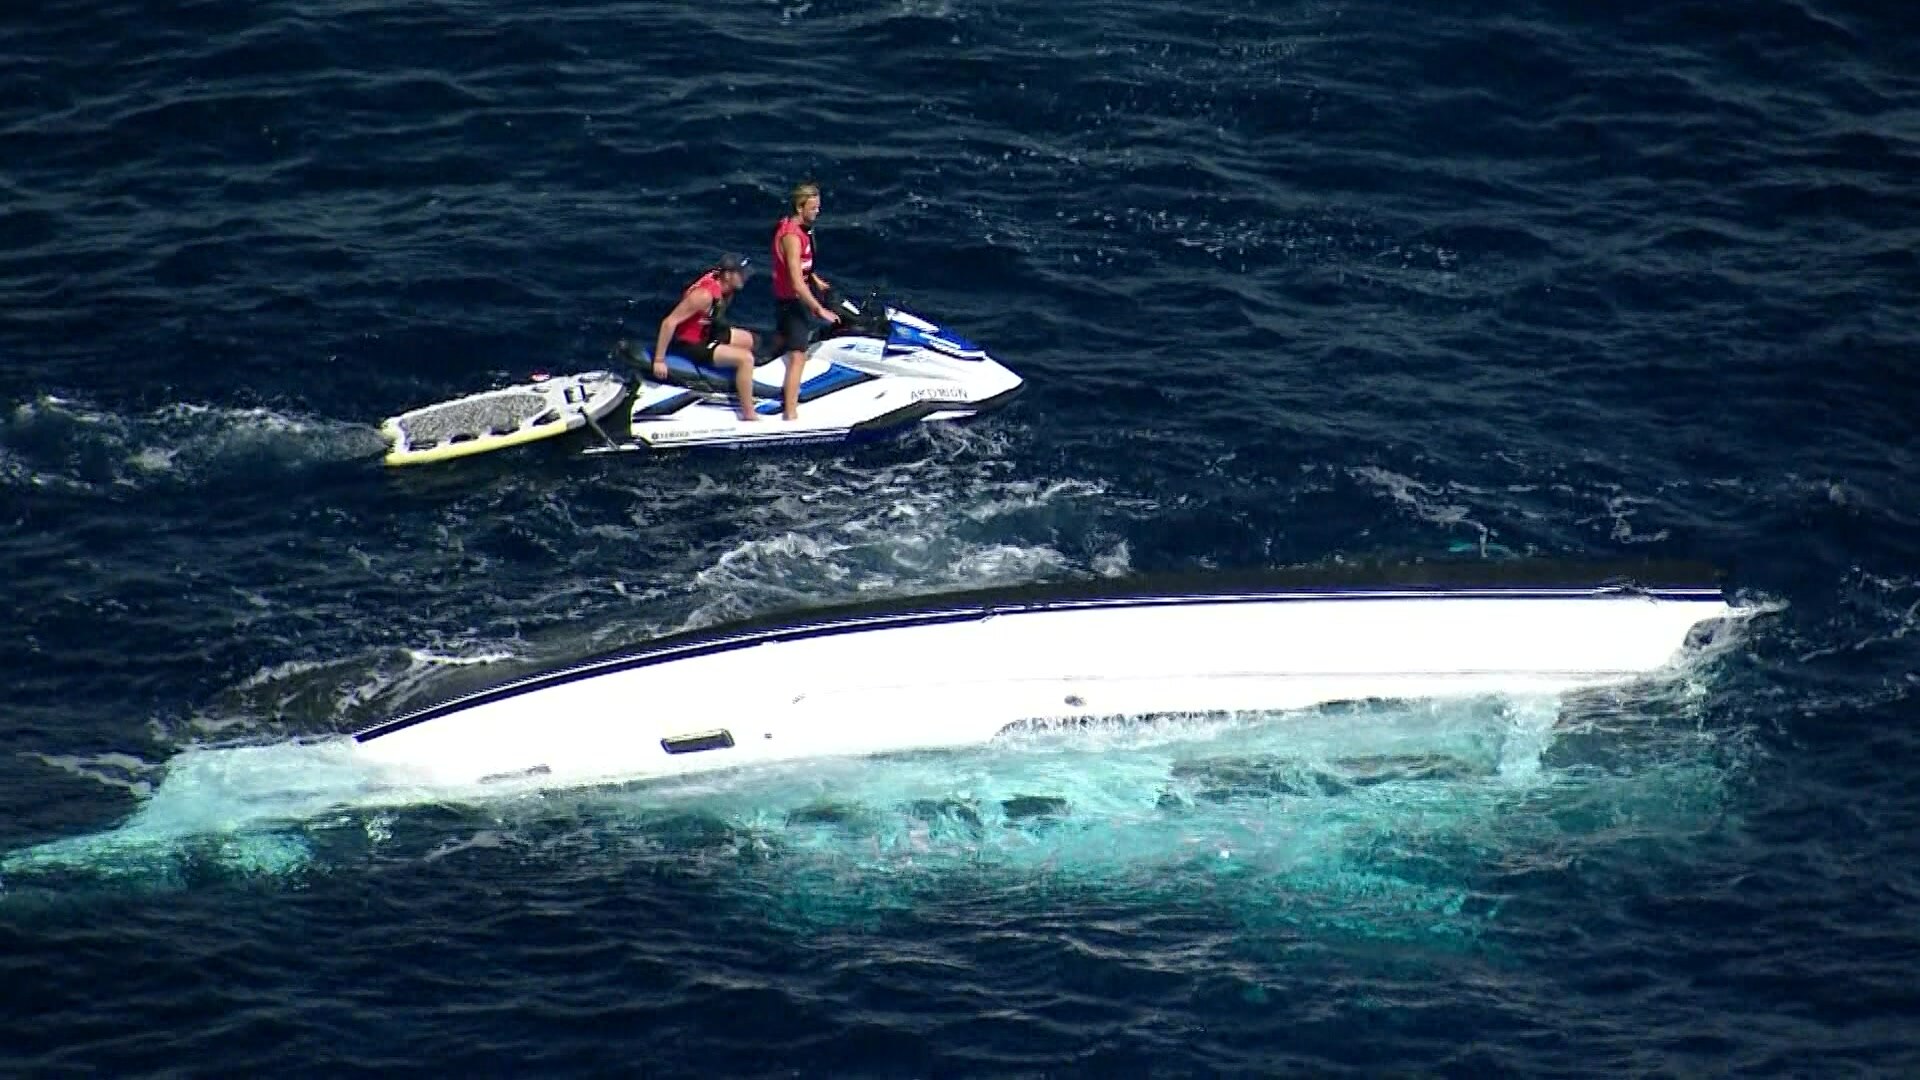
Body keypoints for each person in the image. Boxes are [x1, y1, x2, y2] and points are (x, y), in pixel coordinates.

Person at [651, 253, 761, 421]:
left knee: (752, 341)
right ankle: (748, 413)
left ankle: (743, 382)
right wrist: (659, 360)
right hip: (694, 344)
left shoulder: (725, 288)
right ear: (727, 275)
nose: (745, 278)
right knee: (746, 359)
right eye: (741, 274)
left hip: (709, 331)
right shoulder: (703, 296)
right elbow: (669, 322)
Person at [769, 182, 839, 421]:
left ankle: (765, 385)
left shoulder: (800, 228)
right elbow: (796, 281)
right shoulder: (792, 236)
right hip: (792, 301)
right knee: (798, 355)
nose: (817, 212)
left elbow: (801, 266)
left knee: (780, 342)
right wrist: (819, 310)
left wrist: (816, 280)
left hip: (792, 298)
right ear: (800, 207)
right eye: (813, 208)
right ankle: (790, 412)